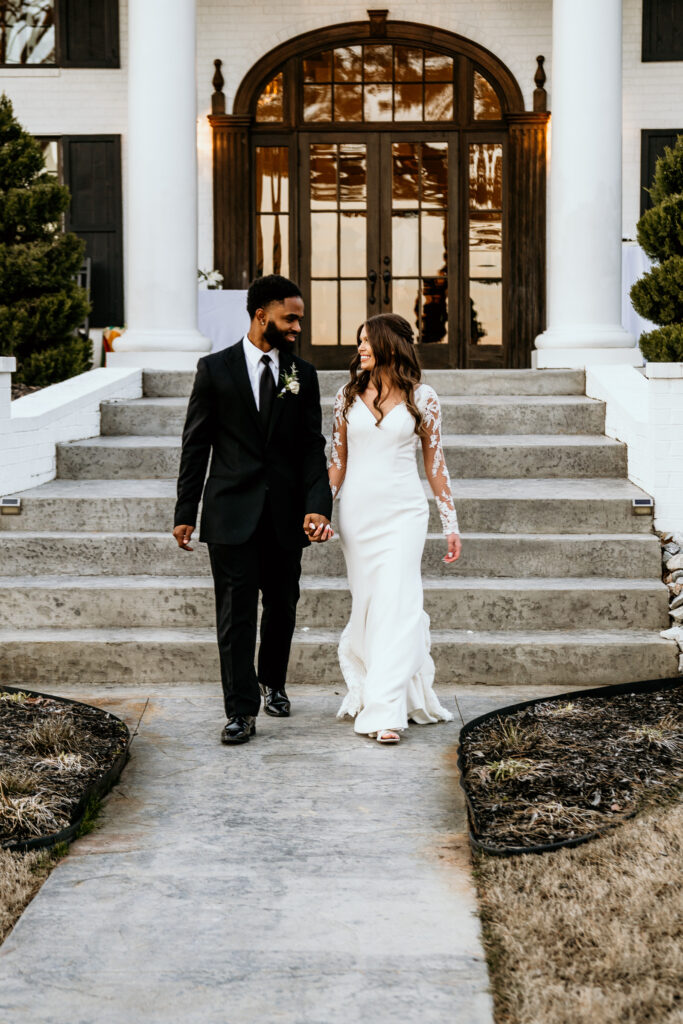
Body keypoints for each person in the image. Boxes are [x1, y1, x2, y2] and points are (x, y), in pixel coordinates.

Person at [173, 275, 333, 745]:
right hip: (229, 515)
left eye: (300, 319)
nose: (297, 327)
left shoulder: (303, 374)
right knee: (235, 616)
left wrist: (317, 505)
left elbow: (311, 448)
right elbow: (195, 446)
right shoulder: (214, 370)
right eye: (291, 318)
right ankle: (241, 710)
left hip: (285, 515)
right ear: (261, 314)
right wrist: (186, 511)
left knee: (282, 607)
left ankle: (273, 682)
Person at [328, 314, 462, 744]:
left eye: (367, 342)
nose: (360, 349)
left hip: (405, 512)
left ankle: (385, 713)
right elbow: (338, 462)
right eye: (359, 342)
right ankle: (377, 689)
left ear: (389, 345)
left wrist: (450, 523)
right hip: (357, 515)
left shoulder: (424, 397)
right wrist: (320, 512)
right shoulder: (345, 397)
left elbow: (435, 464)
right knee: (369, 605)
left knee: (399, 604)